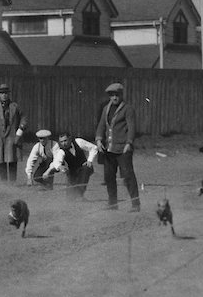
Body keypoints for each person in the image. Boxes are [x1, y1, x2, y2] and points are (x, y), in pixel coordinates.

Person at [95, 82, 141, 211]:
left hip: (123, 149)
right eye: (111, 95)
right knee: (109, 177)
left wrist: (129, 143)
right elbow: (101, 126)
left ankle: (135, 204)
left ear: (121, 95)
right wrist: (99, 140)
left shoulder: (128, 109)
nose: (114, 98)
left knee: (128, 176)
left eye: (116, 95)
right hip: (109, 149)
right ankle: (113, 204)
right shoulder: (106, 109)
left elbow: (132, 127)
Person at [0, 83, 28, 183]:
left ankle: (13, 183)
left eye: (6, 93)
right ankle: (4, 184)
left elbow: (24, 119)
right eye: (2, 93)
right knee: (1, 161)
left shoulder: (15, 106)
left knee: (12, 160)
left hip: (12, 137)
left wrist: (19, 132)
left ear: (9, 94)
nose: (4, 95)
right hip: (0, 138)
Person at [42, 132, 98, 200]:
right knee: (70, 198)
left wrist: (90, 160)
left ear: (70, 139)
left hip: (85, 168)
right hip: (73, 173)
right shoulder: (61, 151)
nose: (64, 143)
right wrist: (60, 167)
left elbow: (94, 148)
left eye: (65, 140)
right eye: (61, 142)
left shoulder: (79, 142)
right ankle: (78, 196)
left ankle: (80, 195)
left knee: (85, 170)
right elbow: (56, 162)